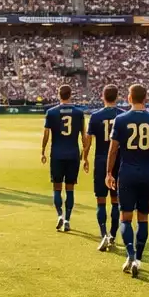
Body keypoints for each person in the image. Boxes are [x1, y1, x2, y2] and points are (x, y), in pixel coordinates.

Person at [106, 83, 149, 278]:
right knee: (143, 218)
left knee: (125, 217)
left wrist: (108, 173)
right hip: (148, 172)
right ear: (145, 98)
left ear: (129, 98)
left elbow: (113, 149)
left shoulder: (120, 120)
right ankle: (138, 258)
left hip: (127, 172)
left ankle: (130, 254)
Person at [83, 84, 122, 251]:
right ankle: (112, 236)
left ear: (102, 97)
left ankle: (104, 234)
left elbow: (88, 141)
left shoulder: (95, 116)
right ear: (117, 97)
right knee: (115, 202)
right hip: (118, 161)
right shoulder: (123, 116)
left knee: (100, 201)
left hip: (100, 160)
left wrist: (84, 158)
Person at [41, 84, 85, 232]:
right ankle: (67, 219)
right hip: (73, 154)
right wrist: (85, 155)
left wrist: (43, 151)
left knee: (57, 187)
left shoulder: (51, 112)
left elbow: (46, 134)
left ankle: (59, 214)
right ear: (70, 94)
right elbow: (83, 136)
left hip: (57, 154)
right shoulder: (79, 113)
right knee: (70, 188)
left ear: (59, 95)